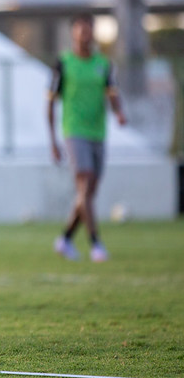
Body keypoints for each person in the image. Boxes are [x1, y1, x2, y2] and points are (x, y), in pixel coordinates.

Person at [48, 13, 127, 262]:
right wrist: (52, 140)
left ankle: (65, 239)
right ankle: (96, 244)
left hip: (98, 133)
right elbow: (49, 104)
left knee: (88, 193)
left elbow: (112, 93)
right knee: (85, 182)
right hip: (74, 131)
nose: (85, 35)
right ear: (73, 33)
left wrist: (119, 112)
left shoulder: (103, 64)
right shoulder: (63, 62)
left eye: (88, 30)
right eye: (80, 30)